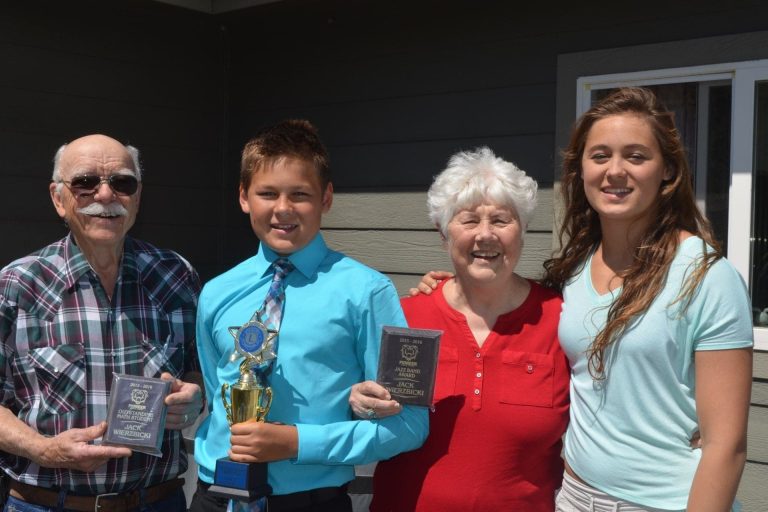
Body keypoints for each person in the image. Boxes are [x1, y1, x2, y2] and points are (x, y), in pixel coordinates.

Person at [417, 88, 753, 511]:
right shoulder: (573, 271)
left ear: (667, 169)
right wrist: (453, 286)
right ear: (581, 171)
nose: (615, 171)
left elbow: (726, 446)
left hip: (665, 502)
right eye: (600, 156)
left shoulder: (706, 276)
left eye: (636, 156)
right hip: (575, 497)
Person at [191, 119, 428, 512]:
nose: (283, 208)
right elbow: (219, 391)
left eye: (300, 194)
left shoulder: (367, 292)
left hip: (308, 502)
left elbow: (409, 426)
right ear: (244, 197)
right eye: (267, 193)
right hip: (215, 496)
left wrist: (298, 443)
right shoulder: (217, 292)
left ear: (326, 198)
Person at [349, 147, 570, 511]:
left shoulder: (560, 320)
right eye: (468, 221)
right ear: (443, 232)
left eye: (501, 220)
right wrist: (359, 402)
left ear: (523, 230)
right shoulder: (403, 318)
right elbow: (356, 410)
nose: (485, 234)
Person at [0, 134, 204, 512]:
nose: (106, 195)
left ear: (137, 198)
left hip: (157, 502)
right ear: (58, 198)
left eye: (122, 183)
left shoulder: (175, 276)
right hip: (48, 504)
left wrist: (193, 396)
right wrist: (44, 450)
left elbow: (199, 369)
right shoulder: (16, 285)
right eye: (85, 182)